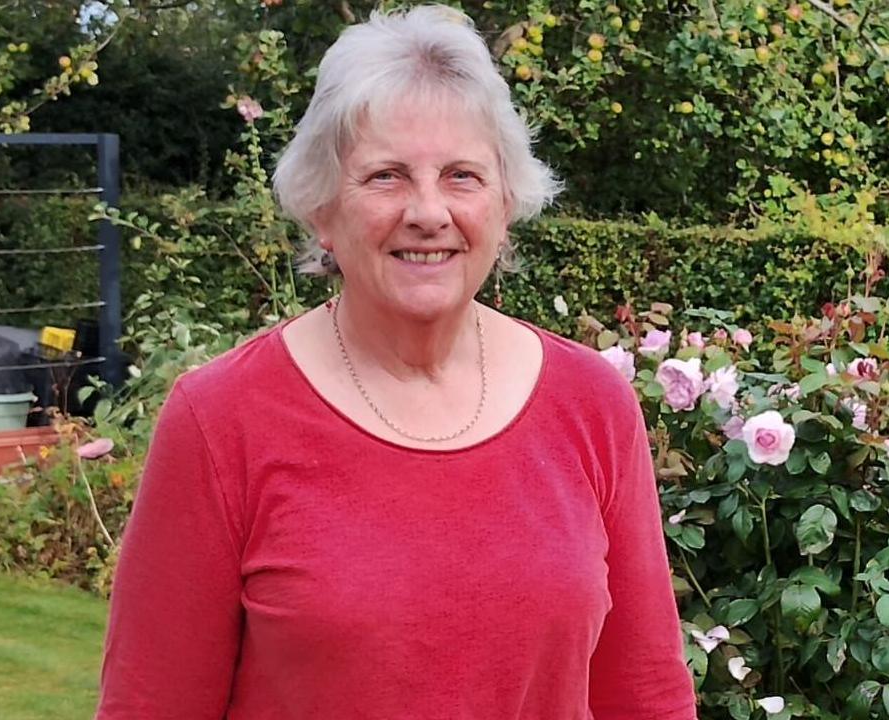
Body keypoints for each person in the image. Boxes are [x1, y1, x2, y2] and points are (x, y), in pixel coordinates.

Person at [96, 6, 696, 719]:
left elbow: (646, 696)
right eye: (385, 176)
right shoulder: (221, 419)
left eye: (462, 176)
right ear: (321, 207)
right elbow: (150, 705)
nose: (428, 211)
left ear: (505, 204)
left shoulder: (591, 403)